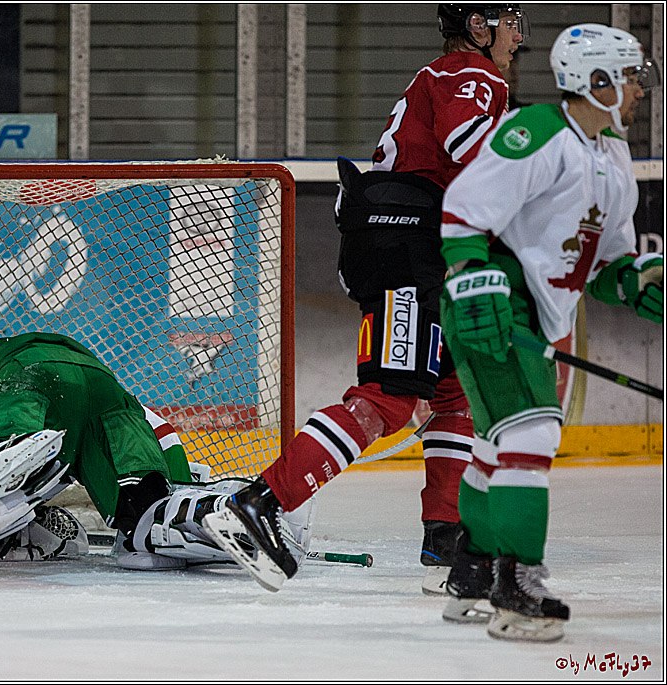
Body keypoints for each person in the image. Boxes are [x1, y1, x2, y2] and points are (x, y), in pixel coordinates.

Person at [203, 4, 527, 593]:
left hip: (414, 241)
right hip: (409, 245)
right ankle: (258, 503)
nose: (517, 35)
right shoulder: (473, 75)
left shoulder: (448, 76)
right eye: (509, 20)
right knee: (391, 397)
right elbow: (469, 146)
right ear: (479, 26)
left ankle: (445, 533)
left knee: (454, 390)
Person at [437, 23, 662, 642]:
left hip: (537, 313)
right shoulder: (537, 132)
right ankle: (519, 587)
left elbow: (609, 261)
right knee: (532, 434)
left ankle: (473, 574)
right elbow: (462, 212)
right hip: (494, 304)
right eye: (631, 76)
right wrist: (473, 280)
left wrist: (639, 282)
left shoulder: (613, 155)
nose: (641, 89)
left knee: (494, 445)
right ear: (596, 82)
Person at [0, 332, 314, 573]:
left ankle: (10, 443)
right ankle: (220, 511)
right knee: (146, 524)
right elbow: (163, 436)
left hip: (24, 369)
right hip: (104, 386)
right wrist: (177, 486)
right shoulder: (135, 405)